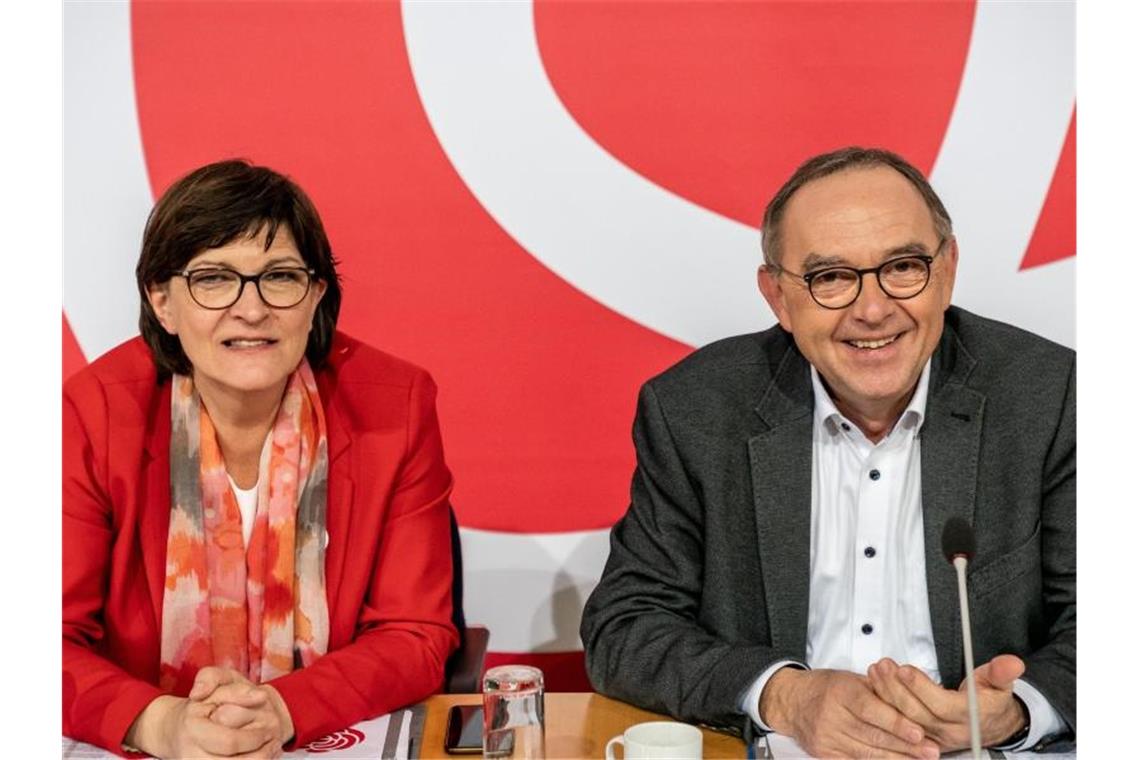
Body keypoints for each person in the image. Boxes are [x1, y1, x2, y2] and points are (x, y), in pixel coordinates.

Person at [580, 147, 1074, 758]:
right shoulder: (696, 409)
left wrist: (1013, 712)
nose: (873, 310)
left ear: (946, 270)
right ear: (779, 298)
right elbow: (626, 628)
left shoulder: (1049, 397)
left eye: (903, 266)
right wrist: (787, 696)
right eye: (831, 278)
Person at [63, 160, 459, 757]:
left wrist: (281, 708)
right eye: (215, 279)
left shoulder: (395, 407)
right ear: (163, 302)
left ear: (316, 295)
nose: (251, 309)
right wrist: (161, 724)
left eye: (279, 276)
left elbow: (416, 632)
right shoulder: (93, 414)